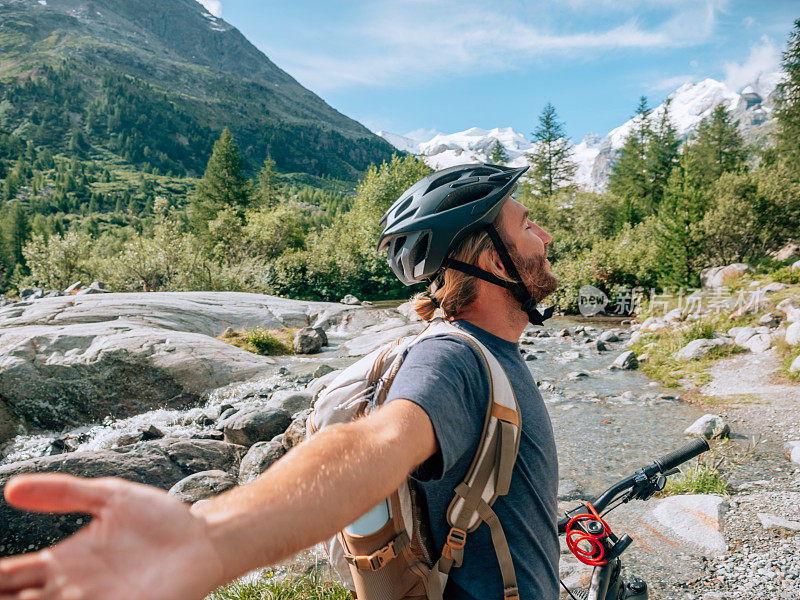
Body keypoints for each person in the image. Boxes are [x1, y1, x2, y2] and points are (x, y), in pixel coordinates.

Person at [0, 163, 560, 600]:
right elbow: (373, 445)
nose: (546, 234)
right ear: (490, 257)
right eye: (526, 224)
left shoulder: (487, 351)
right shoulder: (452, 360)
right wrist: (211, 538)